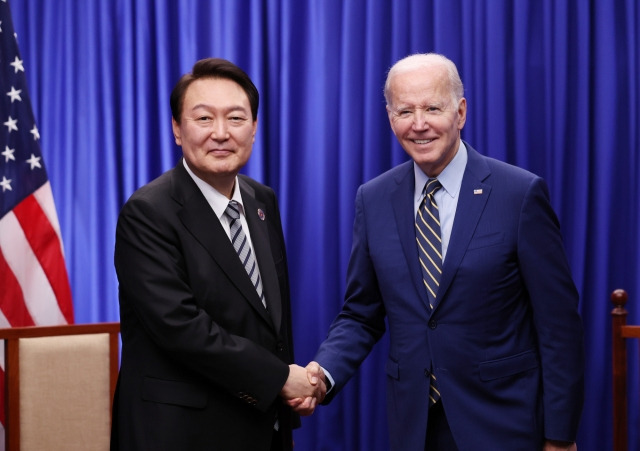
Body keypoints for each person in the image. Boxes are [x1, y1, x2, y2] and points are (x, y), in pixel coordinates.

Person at [296, 53, 584, 450]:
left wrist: (560, 435)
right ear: (389, 116)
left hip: (504, 423)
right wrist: (321, 374)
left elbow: (558, 325)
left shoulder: (518, 194)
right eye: (405, 111)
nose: (419, 124)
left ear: (460, 112)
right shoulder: (374, 198)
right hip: (414, 427)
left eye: (433, 108)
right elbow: (361, 314)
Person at [110, 58, 323, 451]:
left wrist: (287, 399)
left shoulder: (262, 200)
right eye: (204, 118)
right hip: (180, 433)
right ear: (177, 129)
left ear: (255, 129)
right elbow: (181, 328)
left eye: (236, 118)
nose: (221, 133)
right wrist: (279, 378)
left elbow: (272, 321)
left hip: (261, 425)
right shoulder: (148, 212)